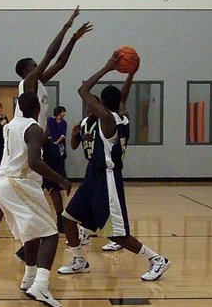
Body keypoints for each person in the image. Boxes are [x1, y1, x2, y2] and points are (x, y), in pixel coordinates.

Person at [0, 6, 92, 266]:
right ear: (26, 72)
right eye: (34, 66)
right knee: (13, 183)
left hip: (33, 137)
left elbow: (59, 62)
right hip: (23, 135)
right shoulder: (27, 83)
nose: (39, 67)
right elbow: (50, 55)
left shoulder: (37, 84)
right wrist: (67, 26)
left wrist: (73, 41)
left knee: (14, 187)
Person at [57, 52, 171, 281]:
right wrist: (130, 74)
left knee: (117, 235)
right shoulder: (122, 115)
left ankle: (157, 259)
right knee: (68, 219)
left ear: (103, 104)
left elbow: (83, 90)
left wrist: (108, 67)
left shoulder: (107, 119)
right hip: (92, 178)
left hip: (106, 180)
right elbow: (122, 99)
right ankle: (79, 260)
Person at [0, 92, 71, 307]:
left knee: (31, 234)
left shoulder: (9, 125)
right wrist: (62, 180)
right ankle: (40, 284)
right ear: (38, 108)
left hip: (1, 184)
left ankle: (29, 277)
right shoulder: (34, 128)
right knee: (50, 234)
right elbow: (35, 162)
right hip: (18, 184)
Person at [71, 99, 119, 252]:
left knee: (107, 205)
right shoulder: (83, 123)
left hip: (104, 167)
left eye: (92, 107)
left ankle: (117, 237)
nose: (89, 109)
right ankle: (84, 232)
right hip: (91, 166)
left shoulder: (104, 122)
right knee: (89, 203)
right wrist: (74, 136)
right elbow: (74, 145)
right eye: (87, 107)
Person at [43, 105, 69, 231]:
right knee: (52, 188)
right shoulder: (48, 121)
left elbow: (63, 136)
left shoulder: (63, 123)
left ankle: (60, 219)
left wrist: (55, 144)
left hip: (55, 152)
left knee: (54, 188)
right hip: (46, 152)